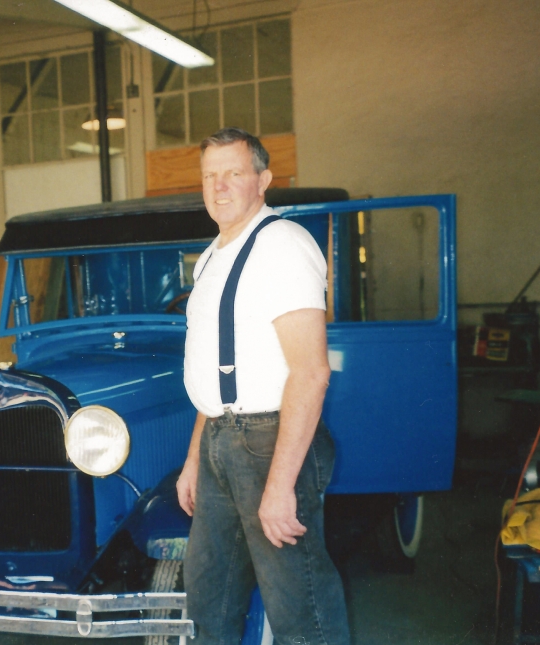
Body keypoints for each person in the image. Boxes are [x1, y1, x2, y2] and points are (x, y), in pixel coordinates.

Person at [177, 127, 350, 645]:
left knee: (298, 602)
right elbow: (214, 373)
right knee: (210, 595)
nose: (220, 186)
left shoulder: (282, 246)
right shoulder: (212, 255)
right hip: (219, 444)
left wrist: (279, 487)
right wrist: (193, 459)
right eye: (210, 176)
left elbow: (311, 372)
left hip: (270, 443)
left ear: (264, 180)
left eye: (233, 173)